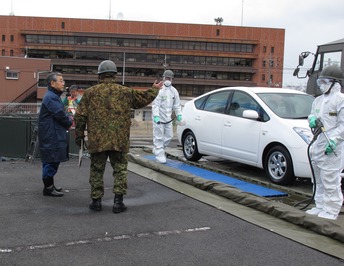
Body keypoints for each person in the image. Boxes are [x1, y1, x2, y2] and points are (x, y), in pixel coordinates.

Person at [74, 60, 162, 213]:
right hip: (119, 139)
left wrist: (79, 136)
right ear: (114, 74)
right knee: (120, 169)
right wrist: (154, 90)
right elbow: (142, 99)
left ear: (99, 74)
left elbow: (80, 116)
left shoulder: (90, 93)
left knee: (96, 169)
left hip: (98, 140)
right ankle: (118, 202)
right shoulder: (125, 91)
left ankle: (96, 202)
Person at [306, 65, 344, 220]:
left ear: (335, 82)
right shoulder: (318, 101)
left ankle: (332, 208)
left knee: (330, 178)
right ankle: (320, 204)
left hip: (332, 146)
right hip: (318, 143)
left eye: (325, 81)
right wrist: (312, 120)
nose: (321, 85)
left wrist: (334, 140)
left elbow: (342, 125)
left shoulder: (340, 100)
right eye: (320, 81)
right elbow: (311, 116)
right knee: (317, 178)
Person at [38, 72, 73, 197]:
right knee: (51, 161)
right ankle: (48, 188)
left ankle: (50, 186)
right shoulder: (51, 97)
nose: (63, 83)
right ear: (52, 83)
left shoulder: (52, 96)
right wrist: (69, 121)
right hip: (51, 135)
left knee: (51, 160)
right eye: (61, 81)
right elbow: (59, 114)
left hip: (51, 134)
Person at [152, 70, 182, 163]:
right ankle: (159, 154)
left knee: (169, 136)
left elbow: (177, 105)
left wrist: (179, 114)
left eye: (170, 78)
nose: (168, 80)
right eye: (166, 78)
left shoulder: (174, 91)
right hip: (159, 119)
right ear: (164, 78)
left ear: (172, 79)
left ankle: (158, 149)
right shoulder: (160, 90)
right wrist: (156, 116)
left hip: (168, 119)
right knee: (159, 137)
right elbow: (155, 104)